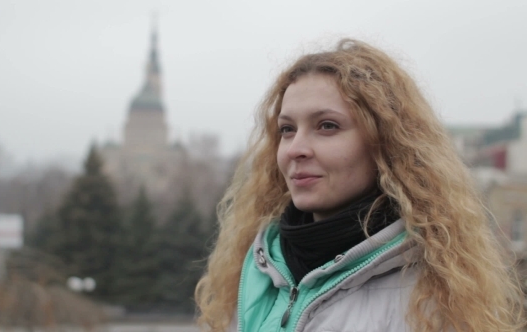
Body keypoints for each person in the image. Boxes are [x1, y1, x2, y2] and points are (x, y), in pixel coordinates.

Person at [195, 39, 524, 331]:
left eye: (327, 126)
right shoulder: (254, 271)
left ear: (386, 144)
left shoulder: (435, 297)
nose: (295, 148)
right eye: (287, 129)